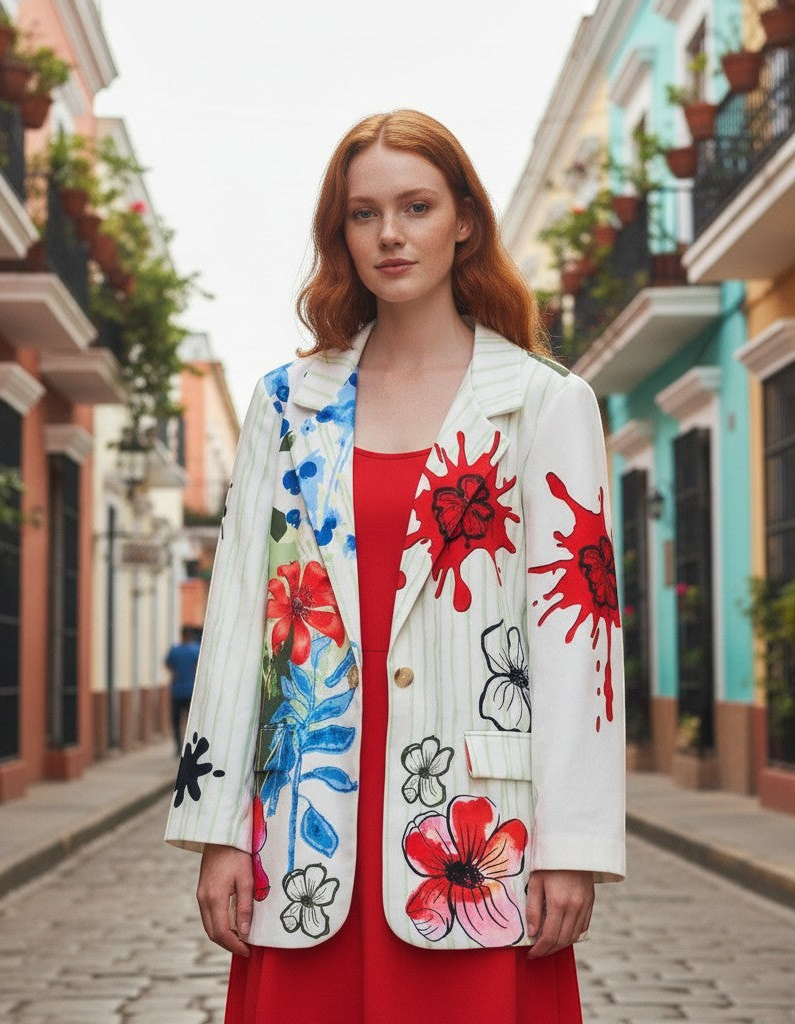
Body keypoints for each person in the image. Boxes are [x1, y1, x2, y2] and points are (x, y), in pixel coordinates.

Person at [165, 109, 625, 1023]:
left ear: (464, 219)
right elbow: (235, 624)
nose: (390, 235)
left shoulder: (544, 404)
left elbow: (581, 637)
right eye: (362, 213)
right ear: (340, 234)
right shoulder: (287, 405)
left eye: (415, 206)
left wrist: (572, 843)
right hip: (304, 827)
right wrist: (218, 831)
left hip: (476, 835)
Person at [165, 624, 201, 757]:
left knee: (176, 721)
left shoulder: (175, 650)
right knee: (191, 721)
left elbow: (168, 664)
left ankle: (178, 747)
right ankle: (190, 747)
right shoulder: (195, 650)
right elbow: (198, 667)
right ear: (191, 635)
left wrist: (177, 672)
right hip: (191, 690)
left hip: (177, 690)